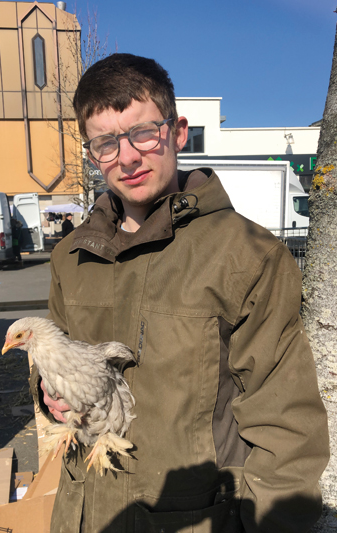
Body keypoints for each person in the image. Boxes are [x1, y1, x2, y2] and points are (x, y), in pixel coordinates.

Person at [30, 54, 329, 532]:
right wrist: (50, 395)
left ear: (177, 130)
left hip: (194, 519)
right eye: (105, 143)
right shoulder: (71, 257)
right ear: (91, 155)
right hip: (86, 516)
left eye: (143, 132)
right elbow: (55, 360)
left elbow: (285, 427)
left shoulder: (247, 255)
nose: (127, 157)